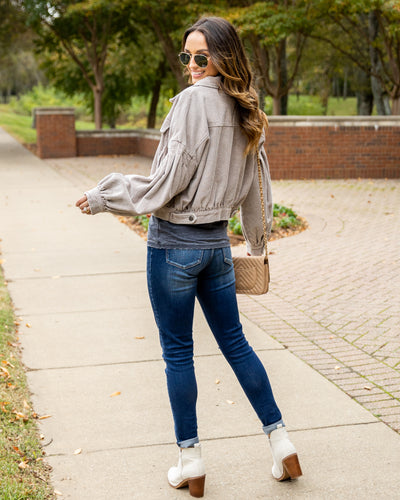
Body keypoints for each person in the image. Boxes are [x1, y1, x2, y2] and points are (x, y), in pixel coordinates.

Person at [76, 16, 302, 498]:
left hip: (174, 247)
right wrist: (257, 246)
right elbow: (258, 190)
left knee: (178, 353)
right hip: (218, 248)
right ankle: (281, 443)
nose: (193, 66)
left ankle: (191, 461)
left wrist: (106, 194)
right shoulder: (247, 109)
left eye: (202, 56)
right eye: (187, 57)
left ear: (224, 56)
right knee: (237, 345)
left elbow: (164, 185)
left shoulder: (189, 105)